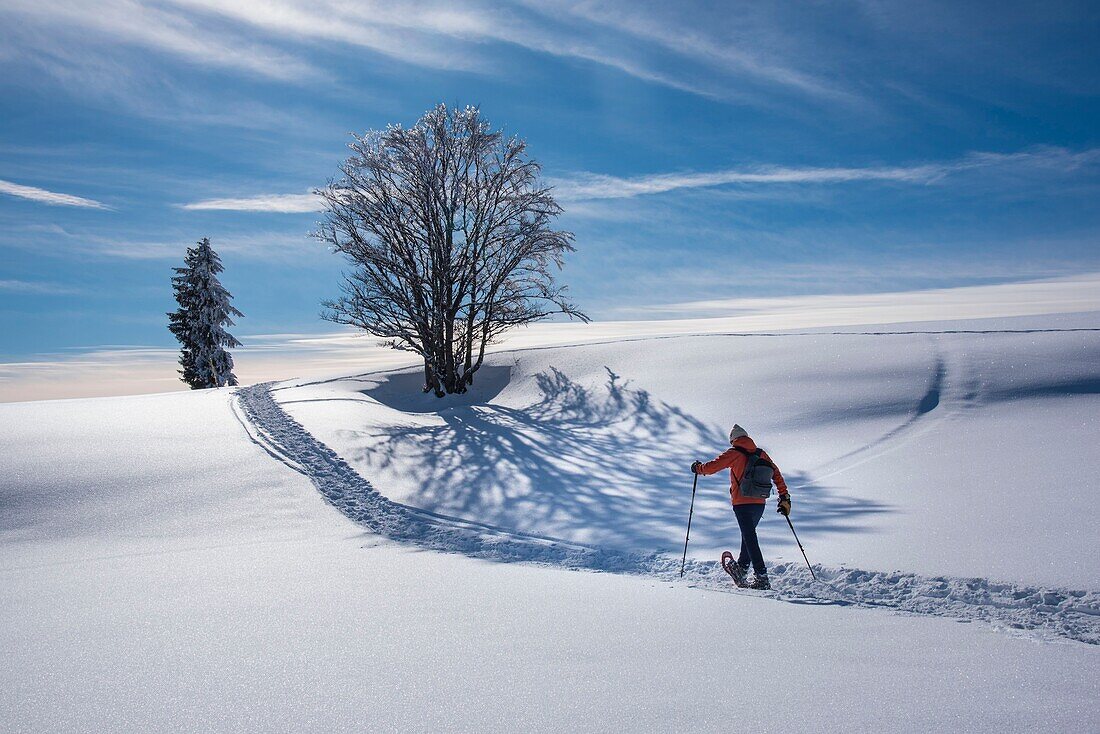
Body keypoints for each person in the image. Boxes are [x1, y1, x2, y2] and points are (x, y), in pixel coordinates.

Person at [692, 424, 790, 590]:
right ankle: (742, 567)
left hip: (742, 502)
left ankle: (761, 576)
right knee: (748, 534)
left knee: (750, 536)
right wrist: (784, 495)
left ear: (733, 440)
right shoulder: (761, 453)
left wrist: (698, 468)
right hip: (759, 502)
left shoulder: (734, 453)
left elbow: (713, 467)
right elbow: (777, 474)